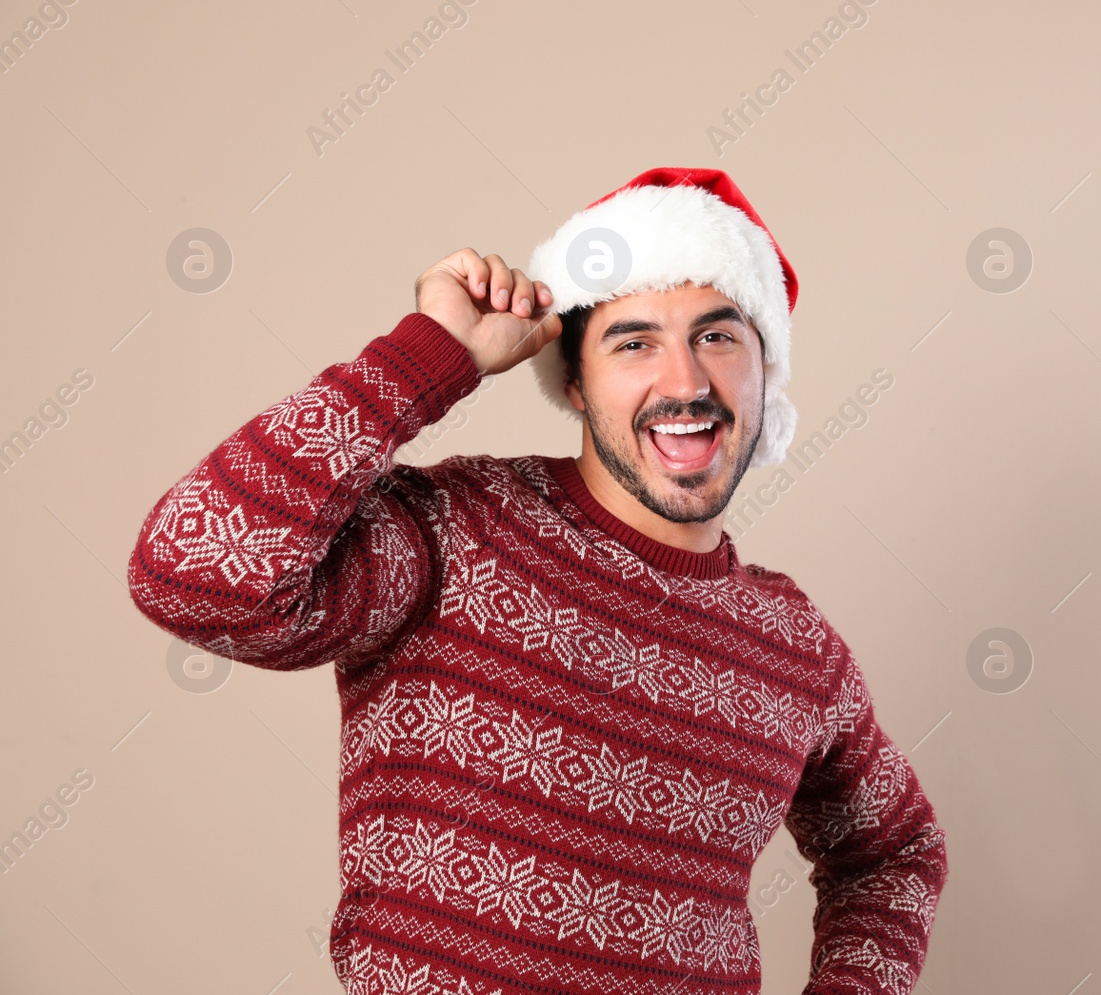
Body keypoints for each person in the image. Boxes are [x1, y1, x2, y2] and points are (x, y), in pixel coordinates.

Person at [127, 167, 948, 995]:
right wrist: (428, 355)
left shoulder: (793, 644)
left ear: (764, 374)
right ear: (577, 380)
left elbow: (895, 852)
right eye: (634, 342)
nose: (687, 382)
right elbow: (192, 575)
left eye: (718, 335)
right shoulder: (455, 531)